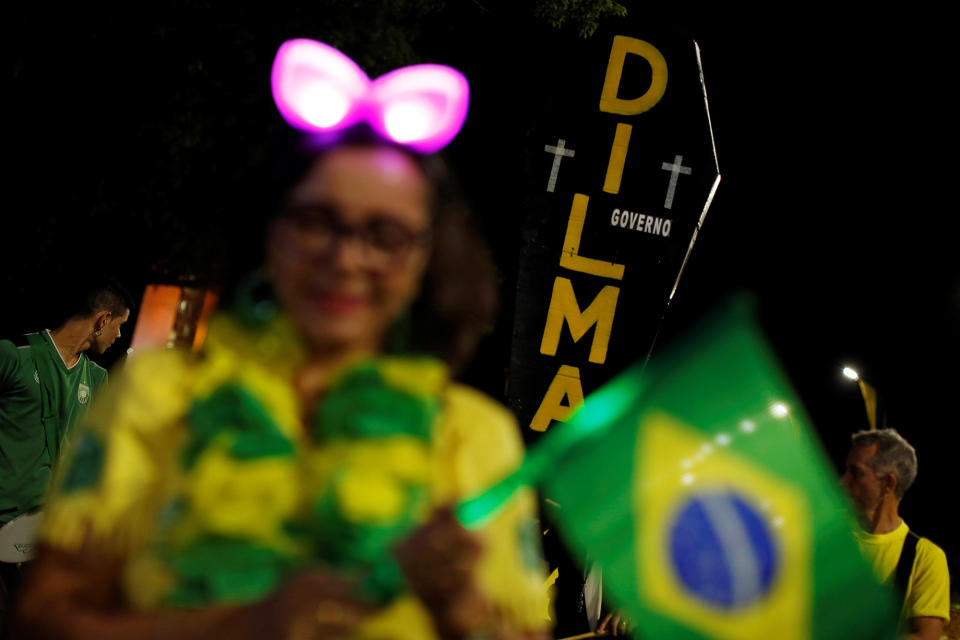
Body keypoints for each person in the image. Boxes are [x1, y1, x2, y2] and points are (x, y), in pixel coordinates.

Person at [9, 39, 550, 640]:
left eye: (386, 234)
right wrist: (254, 623)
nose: (345, 258)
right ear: (270, 229)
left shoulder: (473, 439)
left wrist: (460, 607)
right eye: (317, 221)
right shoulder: (158, 397)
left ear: (428, 257)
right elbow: (41, 620)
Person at [0, 279, 132, 628]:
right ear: (102, 320)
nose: (119, 337)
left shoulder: (98, 378)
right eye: (120, 327)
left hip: (48, 539)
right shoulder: (14, 355)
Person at [841, 428, 950, 640]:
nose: (843, 481)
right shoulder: (830, 532)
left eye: (856, 472)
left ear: (888, 483)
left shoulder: (925, 557)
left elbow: (926, 636)